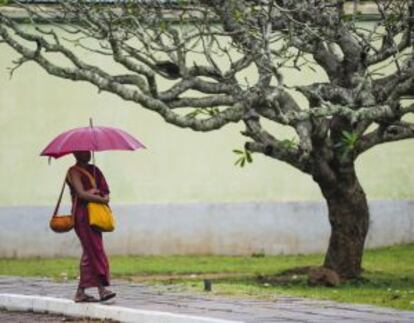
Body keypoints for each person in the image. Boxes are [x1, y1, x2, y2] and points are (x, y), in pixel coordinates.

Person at [67, 151, 116, 303]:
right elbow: (81, 194)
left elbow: (106, 192)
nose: (87, 154)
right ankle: (101, 289)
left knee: (92, 251)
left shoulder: (95, 170)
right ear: (75, 154)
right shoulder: (73, 171)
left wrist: (102, 197)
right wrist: (98, 197)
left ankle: (81, 292)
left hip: (95, 214)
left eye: (88, 150)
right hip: (82, 216)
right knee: (93, 250)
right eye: (82, 151)